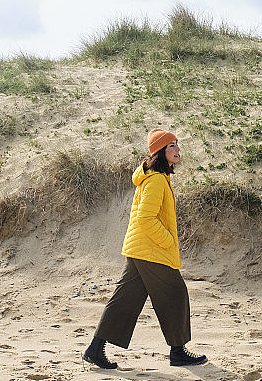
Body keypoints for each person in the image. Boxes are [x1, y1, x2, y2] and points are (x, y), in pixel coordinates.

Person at [83, 128, 208, 369]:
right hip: (151, 249)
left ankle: (95, 349)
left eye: (177, 144)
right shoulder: (157, 180)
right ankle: (178, 351)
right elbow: (145, 218)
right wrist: (168, 241)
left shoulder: (156, 177)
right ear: (160, 152)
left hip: (140, 248)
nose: (177, 149)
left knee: (124, 299)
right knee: (176, 293)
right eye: (171, 145)